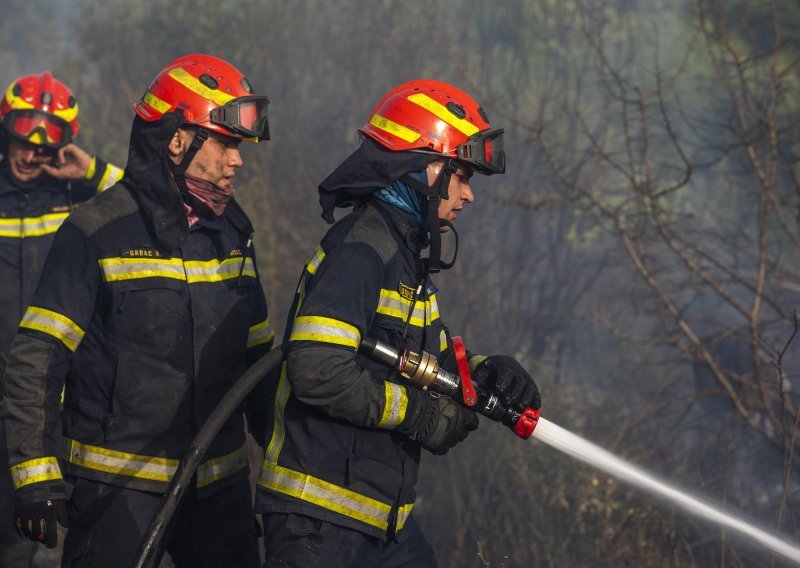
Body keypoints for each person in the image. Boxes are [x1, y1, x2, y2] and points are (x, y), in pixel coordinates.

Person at [1, 54, 274, 567]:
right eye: (226, 143)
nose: (237, 161)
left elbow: (259, 365)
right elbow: (37, 355)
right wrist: (35, 474)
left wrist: (287, 481)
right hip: (116, 496)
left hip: (221, 493)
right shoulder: (95, 231)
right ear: (176, 140)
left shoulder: (235, 233)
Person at [255, 79, 542, 567]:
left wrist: (485, 371)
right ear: (429, 169)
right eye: (463, 176)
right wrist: (419, 415)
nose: (469, 195)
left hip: (380, 523)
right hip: (319, 523)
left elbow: (420, 357)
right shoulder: (361, 252)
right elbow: (317, 369)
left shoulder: (403, 256)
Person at [0, 71, 123, 567]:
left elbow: (148, 204)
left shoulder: (79, 198)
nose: (31, 157)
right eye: (22, 143)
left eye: (44, 149)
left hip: (59, 407)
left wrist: (90, 172)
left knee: (51, 540)